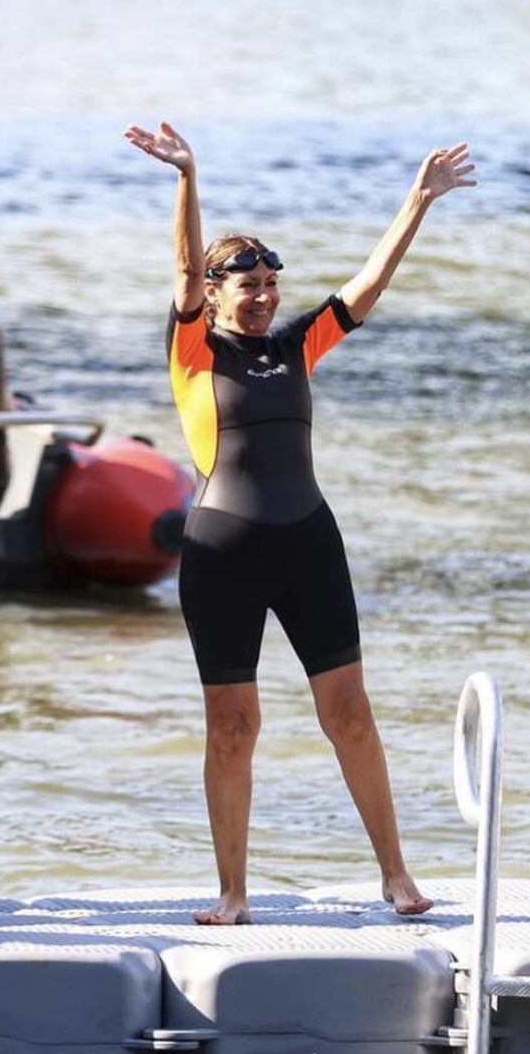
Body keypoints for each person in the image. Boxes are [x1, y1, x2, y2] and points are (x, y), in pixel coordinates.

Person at [124, 121, 475, 926]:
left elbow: (369, 285)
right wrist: (188, 175)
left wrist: (418, 200)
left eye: (270, 285)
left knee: (349, 711)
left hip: (310, 543)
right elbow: (184, 263)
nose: (265, 295)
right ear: (214, 296)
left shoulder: (296, 345)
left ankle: (397, 876)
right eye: (248, 287)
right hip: (222, 552)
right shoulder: (193, 354)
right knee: (234, 725)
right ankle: (233, 894)